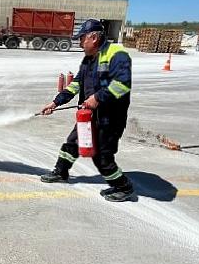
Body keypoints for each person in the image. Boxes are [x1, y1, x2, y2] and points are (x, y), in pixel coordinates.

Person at [39, 19, 134, 202]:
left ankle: (123, 186)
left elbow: (123, 84)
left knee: (102, 157)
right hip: (89, 116)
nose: (80, 42)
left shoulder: (117, 54)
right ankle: (61, 172)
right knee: (72, 143)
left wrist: (98, 98)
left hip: (110, 118)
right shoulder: (88, 59)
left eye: (82, 38)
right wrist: (55, 102)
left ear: (94, 37)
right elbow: (76, 84)